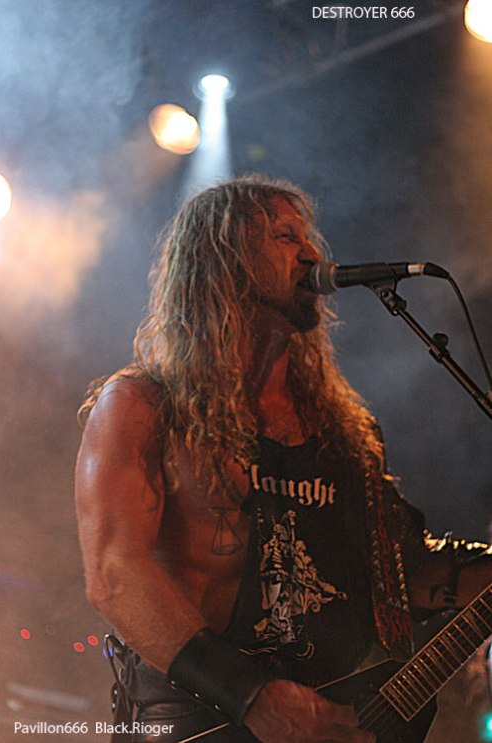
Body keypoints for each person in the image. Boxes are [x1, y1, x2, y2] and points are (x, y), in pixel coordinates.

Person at [75, 175, 492, 743]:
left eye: (307, 236)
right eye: (285, 236)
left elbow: (406, 572)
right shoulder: (144, 406)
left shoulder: (344, 433)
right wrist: (252, 697)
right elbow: (114, 576)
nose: (312, 253)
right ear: (225, 261)